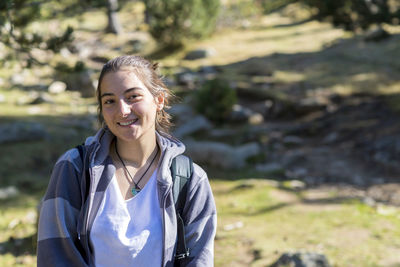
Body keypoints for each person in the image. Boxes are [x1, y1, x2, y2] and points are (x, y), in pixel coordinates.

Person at [37, 55, 217, 267]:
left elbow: (199, 260)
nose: (122, 110)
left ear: (159, 100)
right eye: (110, 101)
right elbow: (55, 255)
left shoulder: (190, 180)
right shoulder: (75, 168)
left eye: (133, 97)